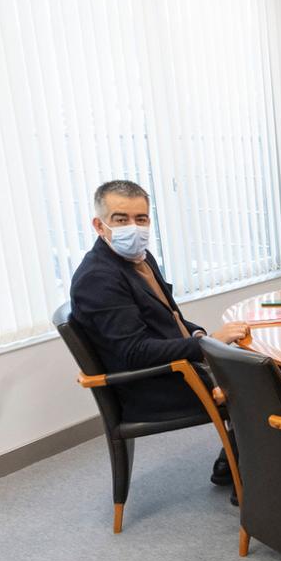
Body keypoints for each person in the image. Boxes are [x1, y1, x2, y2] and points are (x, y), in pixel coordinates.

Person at [69, 180, 249, 493]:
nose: (133, 227)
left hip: (179, 365)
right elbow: (135, 352)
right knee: (261, 382)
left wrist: (199, 334)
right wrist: (208, 345)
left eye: (141, 219)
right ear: (99, 225)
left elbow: (169, 317)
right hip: (151, 385)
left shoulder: (139, 258)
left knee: (258, 364)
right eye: (121, 219)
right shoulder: (98, 278)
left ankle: (234, 458)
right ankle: (248, 480)